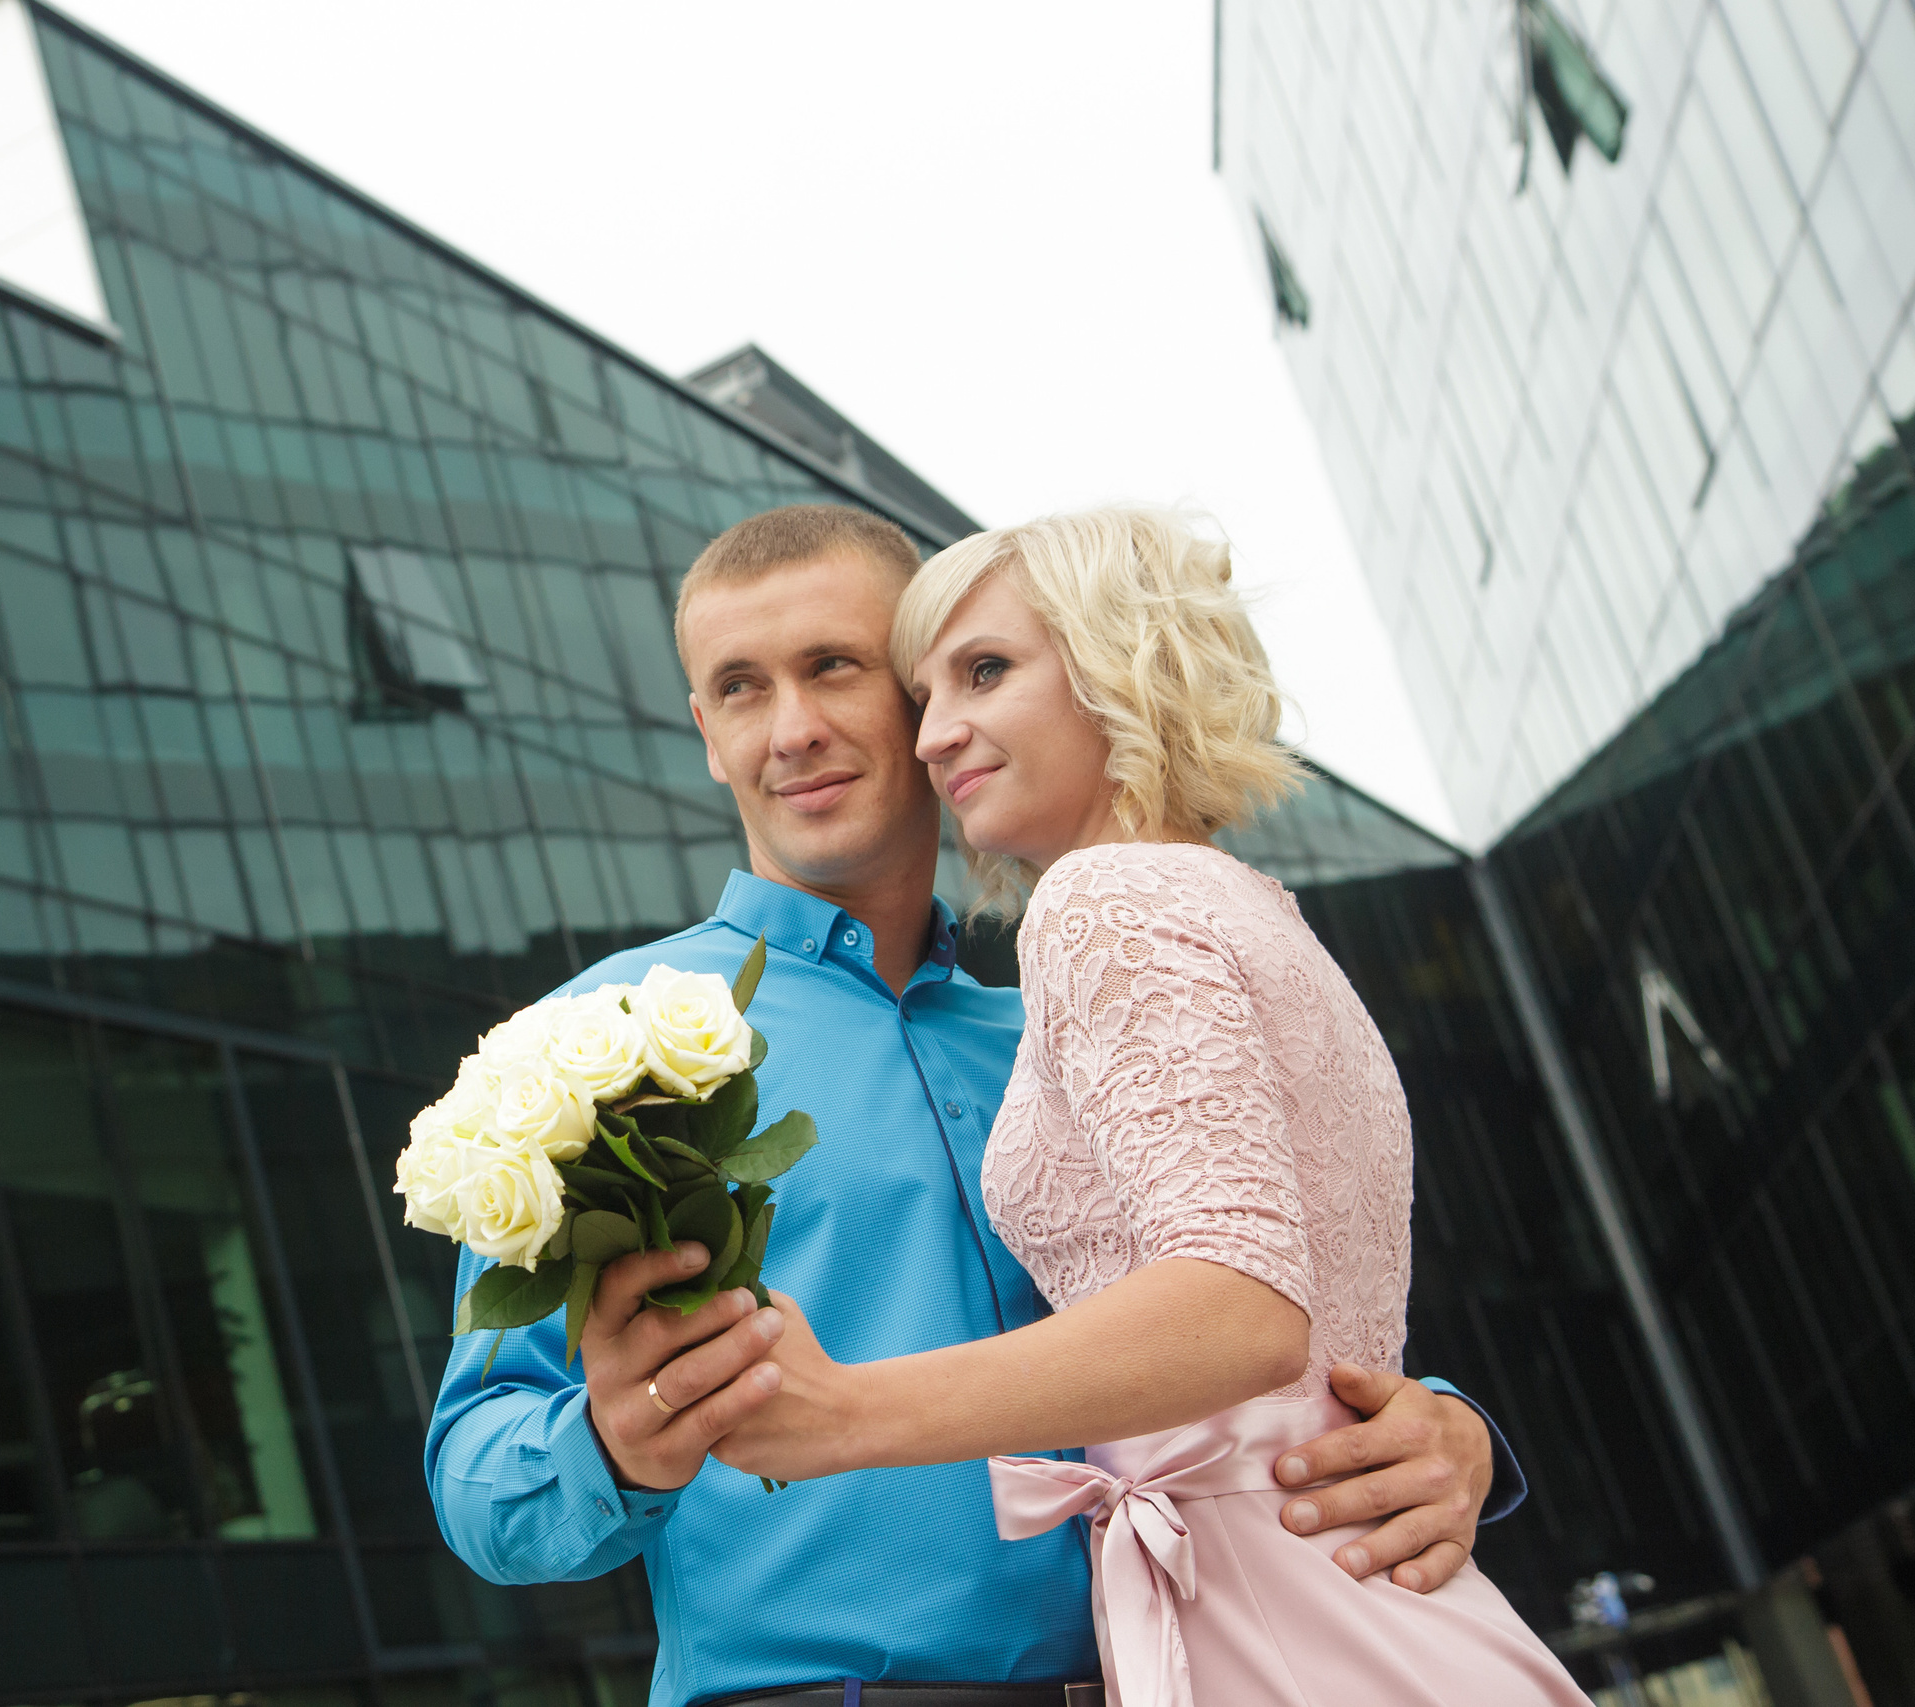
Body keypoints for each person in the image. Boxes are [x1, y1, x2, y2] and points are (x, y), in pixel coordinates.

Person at [423, 505, 1523, 1707]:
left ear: (917, 697)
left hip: (1195, 1670)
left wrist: (1447, 1431)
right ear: (705, 729)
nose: (790, 730)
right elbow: (480, 1479)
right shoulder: (598, 1045)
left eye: (832, 668)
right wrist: (613, 1443)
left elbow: (1260, 1289)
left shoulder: (1086, 1009)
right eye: (739, 688)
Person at [709, 508, 1589, 1705]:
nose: (934, 737)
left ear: (1118, 664)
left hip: (1276, 1603)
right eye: (929, 691)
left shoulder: (1102, 906)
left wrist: (846, 1414)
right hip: (1324, 1590)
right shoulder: (1241, 906)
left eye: (984, 673)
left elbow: (1243, 1307)